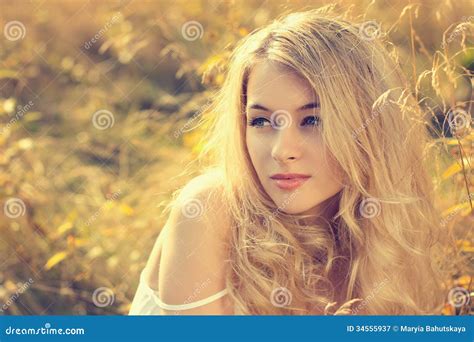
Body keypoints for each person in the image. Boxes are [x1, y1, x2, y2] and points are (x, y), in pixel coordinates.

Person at [129, 8, 445, 315]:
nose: (282, 151)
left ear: (367, 127)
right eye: (261, 122)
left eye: (312, 121)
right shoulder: (210, 209)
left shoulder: (389, 239)